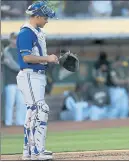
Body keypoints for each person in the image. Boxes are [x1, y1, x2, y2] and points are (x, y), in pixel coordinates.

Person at [16, 1, 58, 160]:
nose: (47, 20)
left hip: (35, 75)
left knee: (33, 112)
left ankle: (29, 151)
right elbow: (26, 57)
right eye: (46, 17)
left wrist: (51, 59)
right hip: (29, 74)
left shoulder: (36, 31)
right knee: (41, 109)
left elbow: (36, 56)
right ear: (37, 16)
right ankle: (37, 152)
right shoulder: (27, 32)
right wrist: (47, 58)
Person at [2, 32, 26, 126]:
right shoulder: (6, 51)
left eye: (16, 38)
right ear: (10, 39)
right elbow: (11, 64)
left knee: (21, 103)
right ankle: (8, 122)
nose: (15, 40)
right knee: (10, 103)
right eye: (13, 38)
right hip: (10, 81)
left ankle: (19, 122)